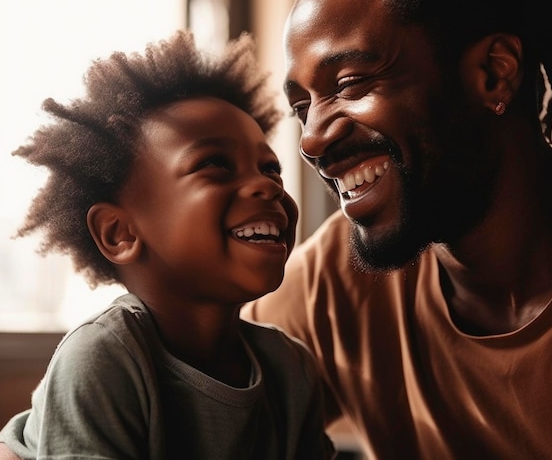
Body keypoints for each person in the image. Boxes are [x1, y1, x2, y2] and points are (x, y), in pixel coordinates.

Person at [243, 0, 552, 459]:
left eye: (348, 84)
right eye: (302, 106)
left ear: (493, 76)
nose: (312, 139)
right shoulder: (333, 285)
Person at [0, 31, 335, 459]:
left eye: (270, 169)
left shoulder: (291, 368)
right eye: (215, 164)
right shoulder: (104, 358)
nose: (264, 187)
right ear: (118, 233)